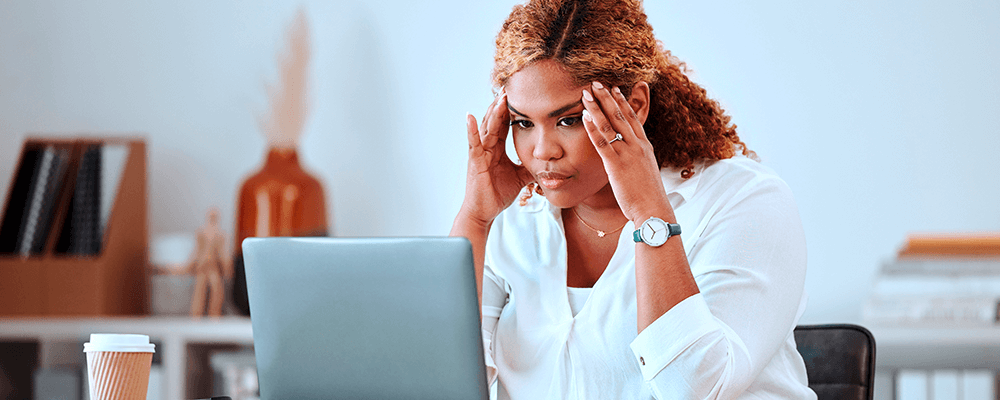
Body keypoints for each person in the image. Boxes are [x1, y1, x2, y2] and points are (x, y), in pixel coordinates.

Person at [450, 0, 816, 398]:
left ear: (635, 106)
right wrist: (476, 219)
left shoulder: (742, 201)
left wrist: (649, 214)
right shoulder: (516, 216)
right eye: (523, 123)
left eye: (569, 120)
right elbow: (440, 383)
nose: (542, 151)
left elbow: (691, 390)